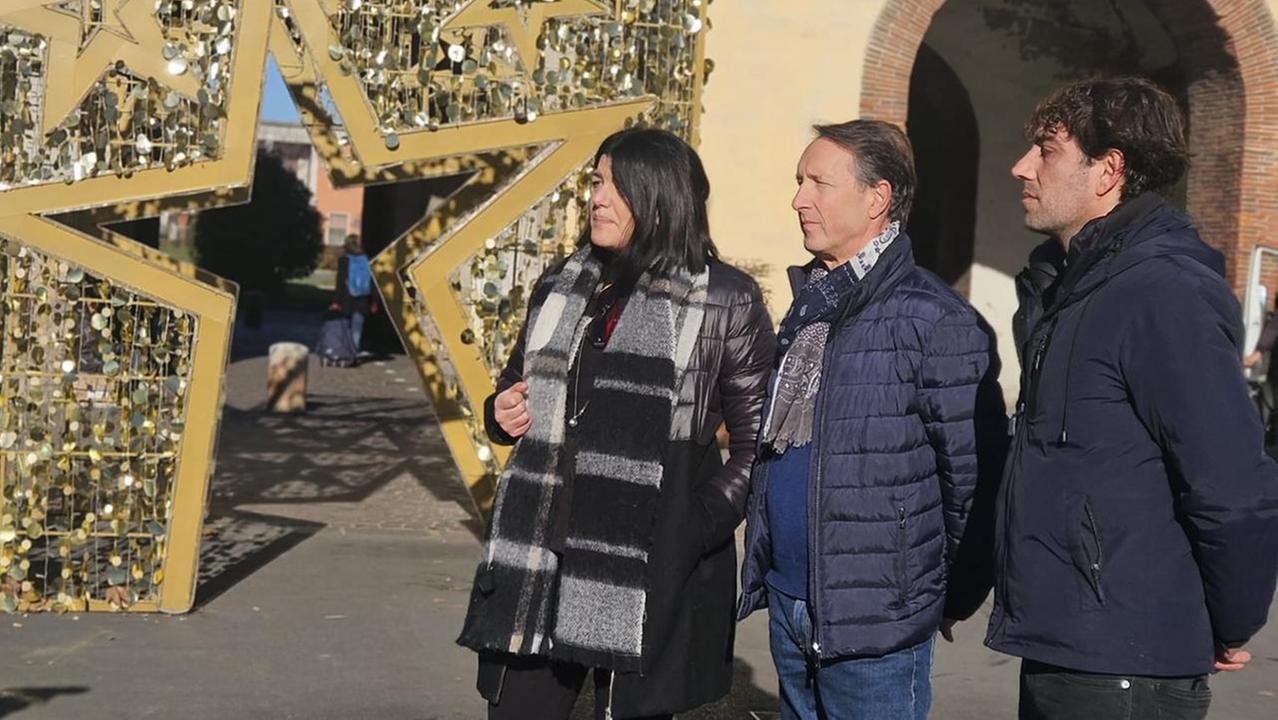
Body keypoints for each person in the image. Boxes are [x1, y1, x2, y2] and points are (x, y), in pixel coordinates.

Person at [458, 128, 776, 720]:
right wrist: (502, 411)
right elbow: (512, 384)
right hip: (542, 554)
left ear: (660, 197)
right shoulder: (563, 284)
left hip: (645, 561)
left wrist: (696, 520)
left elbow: (761, 444)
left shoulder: (724, 300)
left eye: (616, 186)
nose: (597, 198)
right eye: (597, 182)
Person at [989, 76, 1278, 720]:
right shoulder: (1070, 288)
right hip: (1068, 639)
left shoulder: (1161, 291)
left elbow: (1231, 481)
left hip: (1127, 660)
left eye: (1046, 150)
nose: (1022, 166)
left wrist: (1232, 619)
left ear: (1107, 171)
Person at [737, 119, 1008, 720]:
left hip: (878, 619)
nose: (798, 198)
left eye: (818, 183)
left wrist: (946, 597)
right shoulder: (812, 305)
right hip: (790, 597)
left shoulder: (933, 319)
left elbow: (972, 478)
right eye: (798, 181)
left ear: (877, 198)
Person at [335, 233, 374, 351]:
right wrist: (373, 300)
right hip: (363, 297)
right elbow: (372, 281)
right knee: (357, 327)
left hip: (347, 297)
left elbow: (340, 281)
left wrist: (336, 300)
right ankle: (353, 352)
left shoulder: (344, 259)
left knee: (345, 326)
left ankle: (344, 352)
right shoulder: (367, 259)